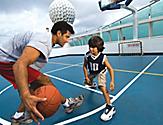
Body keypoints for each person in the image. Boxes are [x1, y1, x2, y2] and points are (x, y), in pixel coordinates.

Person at [0, 21, 84, 124]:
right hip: (5, 61)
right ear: (58, 33)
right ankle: (67, 103)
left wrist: (26, 90)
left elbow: (25, 67)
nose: (68, 40)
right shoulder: (44, 41)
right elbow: (19, 65)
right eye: (66, 36)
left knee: (32, 86)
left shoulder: (45, 41)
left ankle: (19, 116)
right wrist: (25, 95)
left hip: (6, 61)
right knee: (44, 81)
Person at [83, 36, 115, 121]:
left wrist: (112, 81)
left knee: (102, 87)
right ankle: (92, 84)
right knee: (86, 82)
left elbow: (110, 69)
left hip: (101, 71)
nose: (91, 49)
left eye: (93, 47)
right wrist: (86, 76)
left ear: (99, 48)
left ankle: (110, 106)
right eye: (90, 46)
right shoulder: (87, 56)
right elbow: (85, 66)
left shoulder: (103, 57)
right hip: (93, 71)